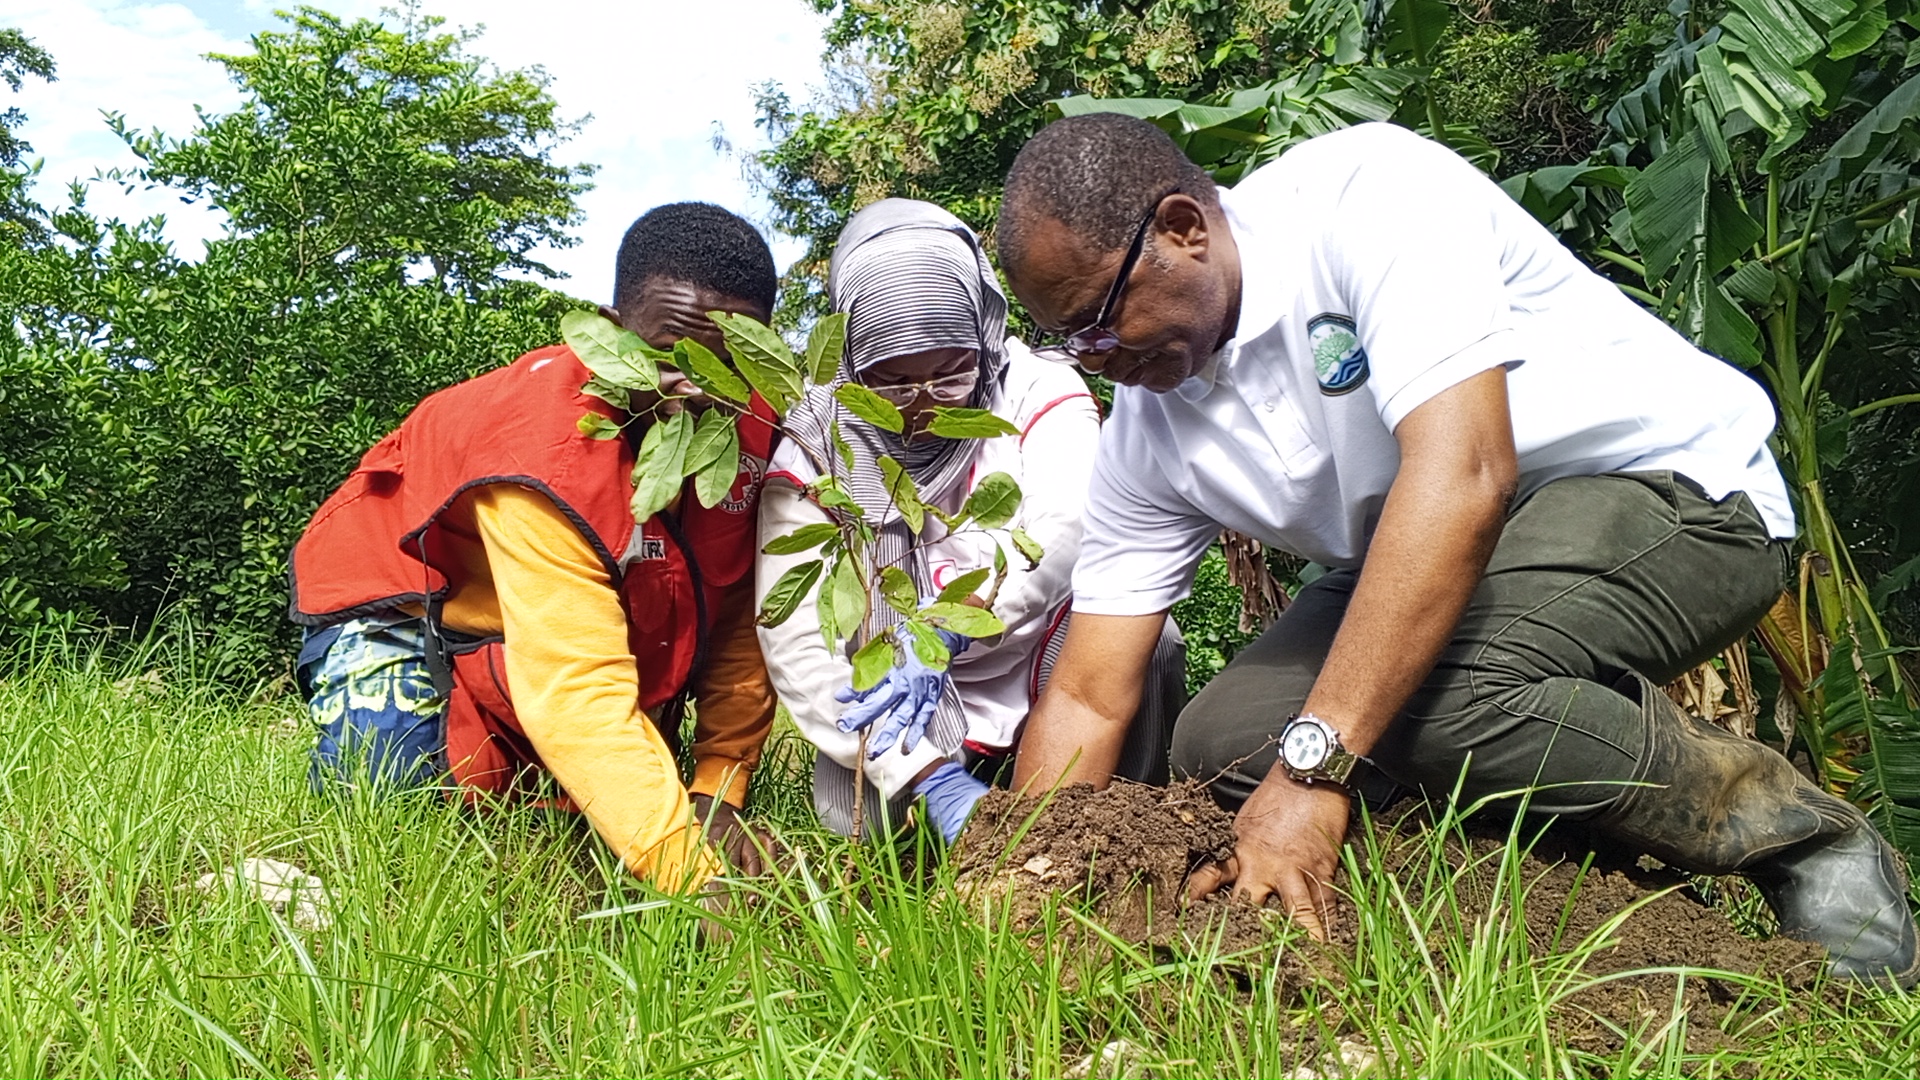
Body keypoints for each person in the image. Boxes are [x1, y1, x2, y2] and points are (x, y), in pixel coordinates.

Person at [990, 114, 1918, 986]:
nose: (1097, 355)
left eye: (1103, 315)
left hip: (1671, 492)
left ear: (1184, 227)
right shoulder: (1148, 430)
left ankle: (1797, 835)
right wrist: (1021, 870)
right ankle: (1557, 883)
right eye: (1071, 340)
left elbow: (1466, 473)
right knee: (1223, 738)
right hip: (1438, 552)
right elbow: (1086, 691)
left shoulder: (1365, 196)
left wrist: (1313, 773)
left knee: (1432, 697)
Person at [289, 203, 782, 890]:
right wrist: (694, 881)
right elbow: (576, 687)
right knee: (389, 806)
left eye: (730, 366)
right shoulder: (544, 451)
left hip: (567, 627)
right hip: (410, 609)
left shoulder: (760, 425)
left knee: (596, 811)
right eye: (670, 359)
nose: (700, 391)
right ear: (610, 335)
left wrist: (718, 789)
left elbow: (733, 617)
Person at [757, 199, 1186, 841]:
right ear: (850, 363)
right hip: (902, 693)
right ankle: (935, 783)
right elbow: (795, 637)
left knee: (1150, 638)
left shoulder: (1037, 390)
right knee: (875, 828)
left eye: (949, 373)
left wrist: (950, 629)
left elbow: (1065, 530)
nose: (923, 405)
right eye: (892, 383)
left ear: (981, 337)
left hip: (1035, 654)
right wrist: (926, 776)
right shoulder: (818, 445)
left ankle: (1117, 819)